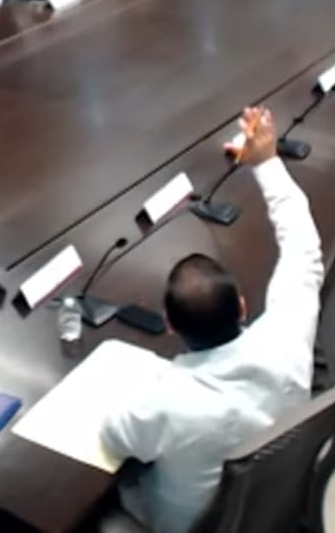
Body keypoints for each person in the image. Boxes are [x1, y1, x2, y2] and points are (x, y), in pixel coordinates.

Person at [100, 106, 321, 533]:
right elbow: (303, 248)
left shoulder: (164, 402)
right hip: (274, 504)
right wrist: (267, 162)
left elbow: (112, 435)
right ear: (242, 307)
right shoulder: (287, 336)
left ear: (169, 324)